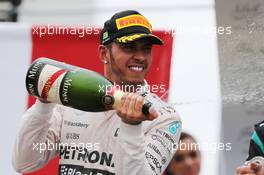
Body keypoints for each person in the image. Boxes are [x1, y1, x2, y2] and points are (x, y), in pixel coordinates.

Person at [12, 10, 182, 175]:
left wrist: (131, 128)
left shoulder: (163, 117)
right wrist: (44, 104)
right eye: (129, 47)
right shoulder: (70, 99)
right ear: (104, 53)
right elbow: (24, 163)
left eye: (146, 49)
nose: (140, 57)